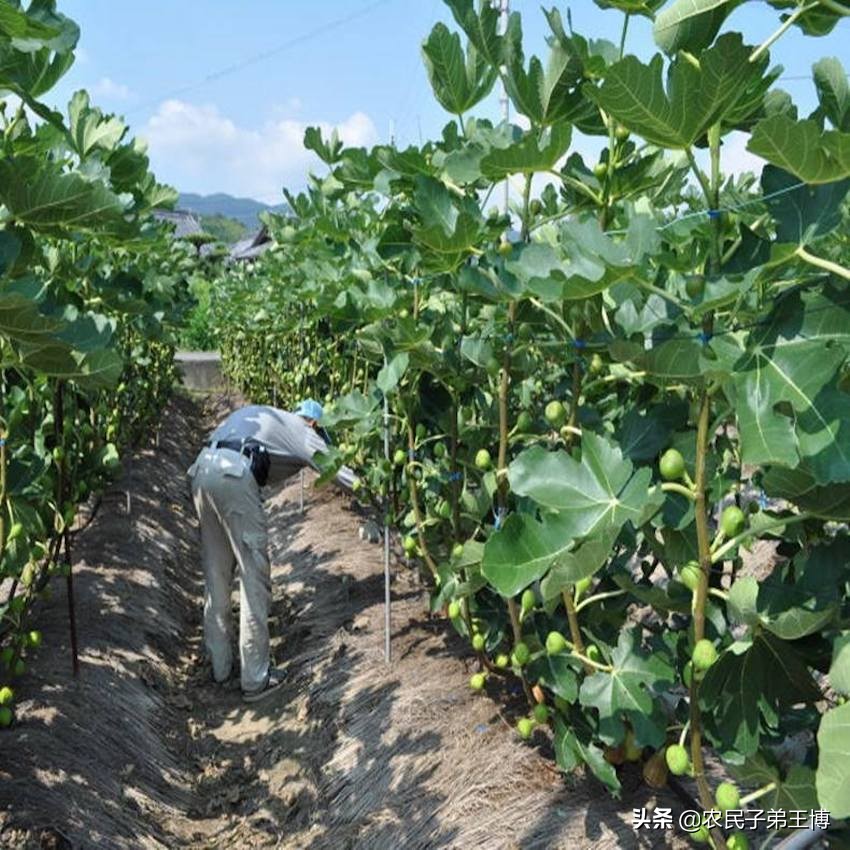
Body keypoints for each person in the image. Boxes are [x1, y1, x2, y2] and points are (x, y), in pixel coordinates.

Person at [187, 399, 355, 702]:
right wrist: (380, 496)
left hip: (203, 468)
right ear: (315, 423)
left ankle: (220, 669)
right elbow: (339, 471)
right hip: (233, 476)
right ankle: (255, 679)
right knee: (253, 576)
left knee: (216, 573)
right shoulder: (304, 431)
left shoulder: (271, 417)